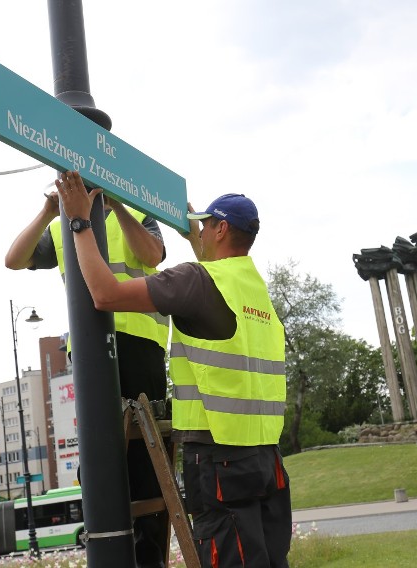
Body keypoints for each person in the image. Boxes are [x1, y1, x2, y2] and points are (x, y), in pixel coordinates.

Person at [57, 171, 291, 568]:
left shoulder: (196, 280)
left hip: (219, 456)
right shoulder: (253, 288)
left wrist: (80, 222)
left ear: (219, 229)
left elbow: (104, 293)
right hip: (266, 457)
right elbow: (215, 285)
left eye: (206, 224)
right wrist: (191, 238)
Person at [5, 185, 170, 568]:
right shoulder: (63, 226)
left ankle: (149, 560)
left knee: (145, 466)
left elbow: (153, 254)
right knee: (99, 461)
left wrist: (118, 207)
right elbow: (13, 259)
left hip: (139, 346)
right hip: (91, 350)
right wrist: (48, 212)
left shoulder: (134, 210)